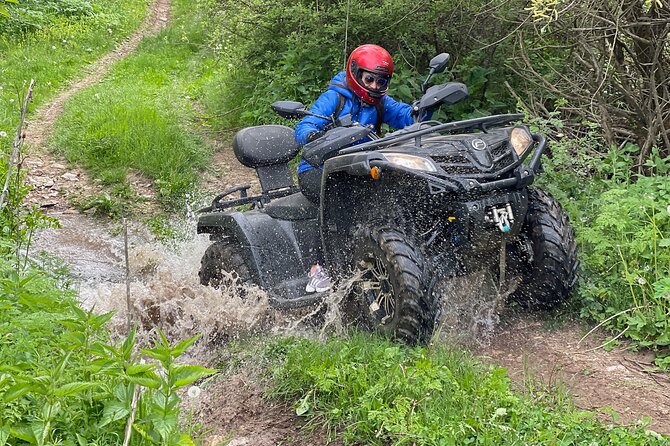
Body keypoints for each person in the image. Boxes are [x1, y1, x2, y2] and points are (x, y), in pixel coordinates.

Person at [294, 44, 417, 294]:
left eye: (380, 81)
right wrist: (314, 135)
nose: (373, 86)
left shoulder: (380, 103)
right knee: (337, 194)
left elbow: (406, 117)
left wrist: (422, 107)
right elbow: (304, 125)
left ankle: (395, 254)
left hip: (357, 169)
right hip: (318, 169)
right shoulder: (336, 97)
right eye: (368, 79)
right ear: (355, 73)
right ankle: (317, 270)